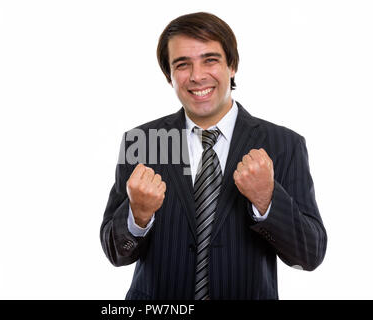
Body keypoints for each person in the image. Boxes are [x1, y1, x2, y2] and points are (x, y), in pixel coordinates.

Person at [100, 12, 327, 300]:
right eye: (182, 64)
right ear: (169, 75)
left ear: (232, 66)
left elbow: (309, 255)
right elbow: (114, 253)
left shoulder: (283, 144)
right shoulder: (144, 142)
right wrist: (138, 216)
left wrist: (267, 199)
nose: (197, 76)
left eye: (210, 60)